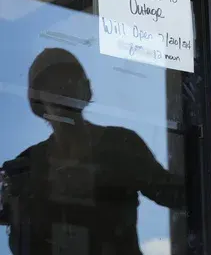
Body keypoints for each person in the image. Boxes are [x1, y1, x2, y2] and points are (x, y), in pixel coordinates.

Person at [0, 48, 186, 255]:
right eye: (51, 85)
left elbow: (177, 195)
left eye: (69, 80)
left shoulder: (122, 145)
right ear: (38, 101)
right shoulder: (26, 166)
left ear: (86, 90)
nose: (62, 89)